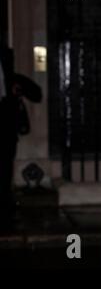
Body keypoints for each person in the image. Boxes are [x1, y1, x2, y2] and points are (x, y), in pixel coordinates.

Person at [0, 46, 42, 229]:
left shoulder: (11, 79)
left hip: (5, 131)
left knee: (4, 171)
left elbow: (36, 94)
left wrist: (18, 90)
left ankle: (4, 212)